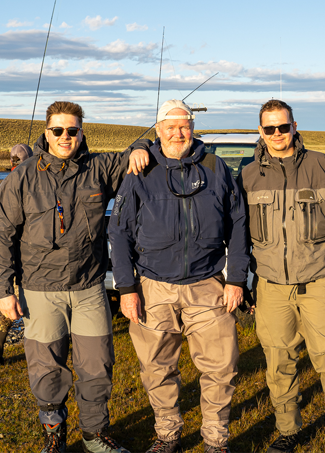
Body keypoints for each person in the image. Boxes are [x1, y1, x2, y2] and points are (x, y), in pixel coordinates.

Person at [0, 101, 151, 453]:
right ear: (46, 133)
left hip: (89, 288)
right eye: (58, 130)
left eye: (72, 130)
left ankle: (95, 435)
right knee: (47, 369)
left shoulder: (98, 167)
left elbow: (136, 154)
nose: (66, 136)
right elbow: (0, 233)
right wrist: (4, 289)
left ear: (81, 132)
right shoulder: (24, 175)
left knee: (97, 366)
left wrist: (140, 146)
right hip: (39, 290)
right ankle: (54, 436)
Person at [108, 99, 249, 453]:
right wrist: (127, 288)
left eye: (183, 125)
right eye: (169, 126)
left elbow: (238, 226)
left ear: (193, 127)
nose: (177, 132)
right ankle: (167, 435)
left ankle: (216, 441)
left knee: (221, 368)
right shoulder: (140, 171)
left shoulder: (217, 169)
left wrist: (236, 279)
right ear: (157, 130)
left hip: (208, 285)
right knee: (157, 368)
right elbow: (120, 232)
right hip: (153, 287)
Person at [237, 100, 325, 453]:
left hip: (320, 282)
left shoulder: (320, 165)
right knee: (278, 363)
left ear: (295, 126)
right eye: (269, 128)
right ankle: (288, 431)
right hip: (271, 288)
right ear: (259, 131)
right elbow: (237, 232)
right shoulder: (248, 175)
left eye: (283, 127)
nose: (277, 134)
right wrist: (241, 279)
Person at [0, 143, 34, 367]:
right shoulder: (32, 182)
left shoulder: (6, 184)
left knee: (3, 309)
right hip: (26, 259)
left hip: (6, 259)